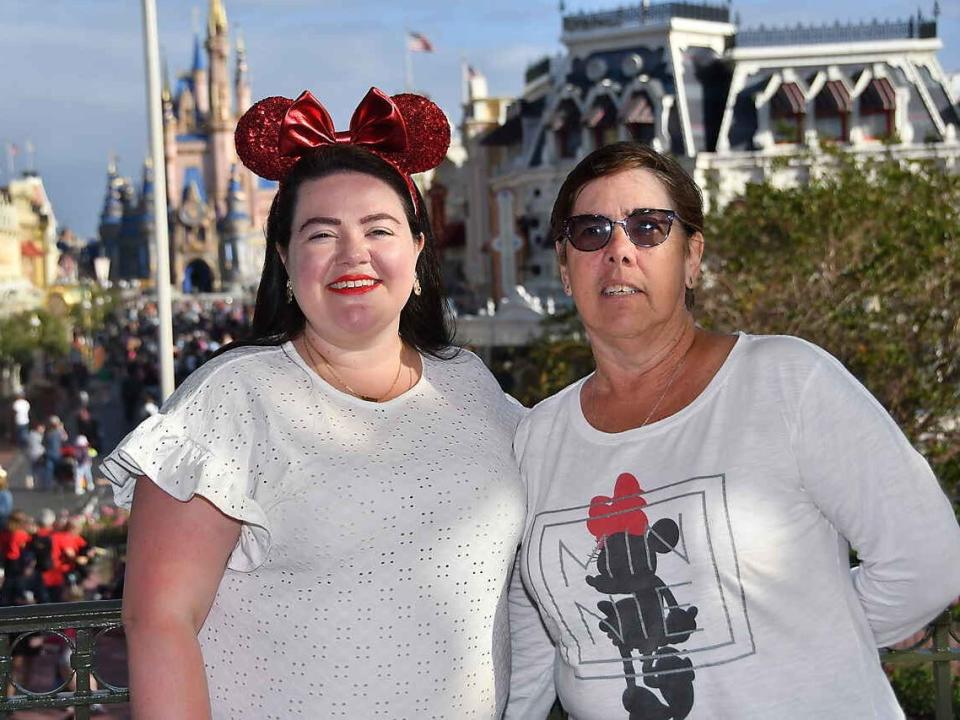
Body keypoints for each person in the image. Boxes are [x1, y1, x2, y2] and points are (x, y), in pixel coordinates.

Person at [102, 87, 525, 719]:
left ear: (416, 252)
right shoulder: (233, 399)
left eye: (378, 229)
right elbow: (159, 621)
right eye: (321, 234)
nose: (354, 254)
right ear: (285, 259)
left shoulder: (471, 385)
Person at [506, 142, 960, 720]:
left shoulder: (786, 380)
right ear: (565, 269)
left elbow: (928, 560)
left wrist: (810, 644)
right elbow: (540, 629)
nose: (619, 250)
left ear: (692, 257)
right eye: (591, 231)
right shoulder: (537, 435)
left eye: (648, 227)